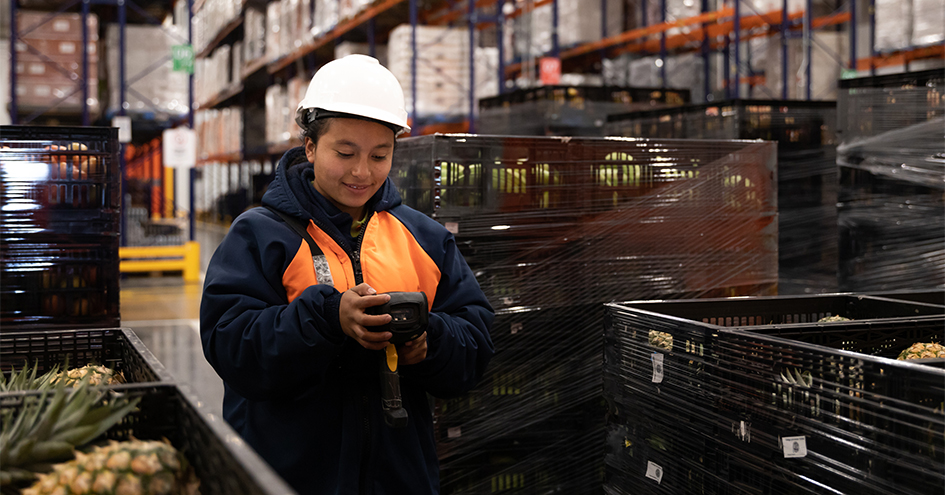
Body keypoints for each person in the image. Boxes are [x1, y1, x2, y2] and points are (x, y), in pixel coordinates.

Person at [199, 54, 495, 494]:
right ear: (311, 147)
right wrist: (326, 318)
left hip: (398, 478)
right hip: (286, 477)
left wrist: (426, 342)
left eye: (380, 155)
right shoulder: (260, 235)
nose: (362, 172)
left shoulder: (425, 238)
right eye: (345, 152)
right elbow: (230, 343)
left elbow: (476, 340)